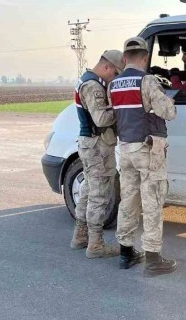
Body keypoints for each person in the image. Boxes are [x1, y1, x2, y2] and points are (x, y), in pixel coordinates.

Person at [109, 36, 178, 276]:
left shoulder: (114, 84)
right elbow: (168, 112)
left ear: (125, 58)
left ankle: (126, 254)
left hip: (125, 149)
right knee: (152, 202)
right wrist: (169, 100)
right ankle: (152, 258)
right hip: (147, 149)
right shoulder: (147, 81)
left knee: (128, 201)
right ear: (146, 57)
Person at [72, 50, 126, 259]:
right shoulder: (93, 86)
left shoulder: (87, 80)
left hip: (90, 144)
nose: (115, 78)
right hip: (97, 145)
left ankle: (80, 236)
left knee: (88, 189)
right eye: (115, 73)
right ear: (106, 67)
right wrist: (121, 108)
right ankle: (95, 245)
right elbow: (101, 119)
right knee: (99, 194)